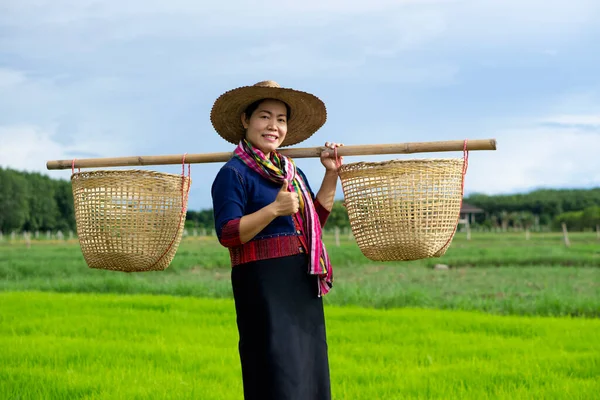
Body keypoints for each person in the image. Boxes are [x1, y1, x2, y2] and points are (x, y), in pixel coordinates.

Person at [210, 80, 343, 400]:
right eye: (265, 117)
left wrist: (332, 173)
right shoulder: (234, 173)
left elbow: (315, 221)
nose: (273, 126)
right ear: (246, 120)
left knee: (308, 370)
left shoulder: (291, 172)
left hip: (301, 282)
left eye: (281, 119)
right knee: (275, 371)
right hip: (263, 285)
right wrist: (273, 209)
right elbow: (228, 234)